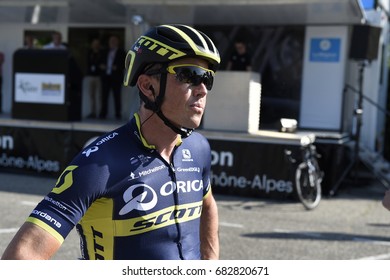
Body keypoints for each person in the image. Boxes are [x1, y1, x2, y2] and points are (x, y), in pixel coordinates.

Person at [1, 24, 220, 260]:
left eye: (208, 79)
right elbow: (21, 257)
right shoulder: (98, 164)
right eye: (190, 75)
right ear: (148, 86)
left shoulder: (199, 148)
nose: (202, 90)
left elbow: (207, 206)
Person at [98, 35, 126, 120]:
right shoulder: (104, 51)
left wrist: (117, 67)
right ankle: (103, 113)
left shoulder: (122, 52)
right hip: (106, 76)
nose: (112, 42)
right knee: (104, 96)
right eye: (111, 41)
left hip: (116, 77)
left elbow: (125, 64)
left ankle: (118, 114)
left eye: (114, 41)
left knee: (116, 96)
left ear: (118, 42)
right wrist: (101, 66)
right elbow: (99, 61)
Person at [84, 38, 103, 118]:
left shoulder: (102, 53)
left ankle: (101, 113)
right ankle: (93, 112)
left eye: (97, 44)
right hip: (91, 76)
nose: (95, 45)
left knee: (100, 95)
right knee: (92, 95)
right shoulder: (89, 53)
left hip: (99, 76)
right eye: (94, 44)